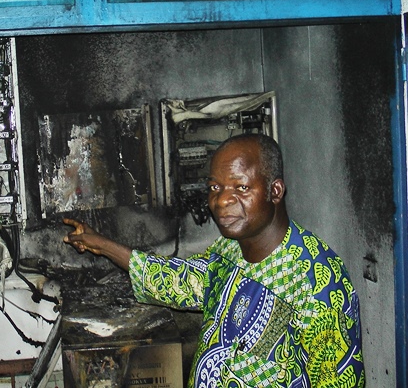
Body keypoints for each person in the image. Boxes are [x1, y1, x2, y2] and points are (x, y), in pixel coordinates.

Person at [63, 133, 365, 388]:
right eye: (215, 188)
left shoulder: (320, 279)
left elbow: (338, 379)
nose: (221, 201)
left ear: (275, 191)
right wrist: (100, 244)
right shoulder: (229, 250)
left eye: (241, 188)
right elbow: (180, 281)